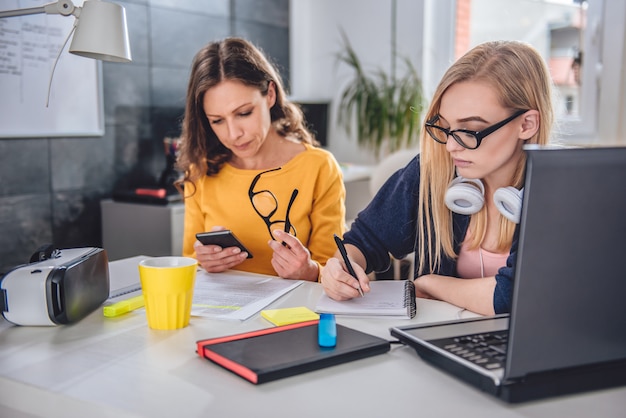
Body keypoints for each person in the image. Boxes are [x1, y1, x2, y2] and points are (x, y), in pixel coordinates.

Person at [321, 40, 554, 315]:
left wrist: (431, 284)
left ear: (526, 124)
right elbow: (364, 240)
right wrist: (340, 267)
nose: (451, 146)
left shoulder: (557, 191)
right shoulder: (430, 173)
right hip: (437, 341)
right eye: (444, 127)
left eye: (470, 130)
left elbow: (513, 296)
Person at [176, 37, 345, 282]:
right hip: (224, 312)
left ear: (270, 95)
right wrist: (205, 262)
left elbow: (331, 269)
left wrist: (308, 271)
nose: (233, 134)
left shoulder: (319, 167)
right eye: (217, 120)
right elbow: (189, 260)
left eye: (244, 113)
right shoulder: (201, 170)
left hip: (294, 312)